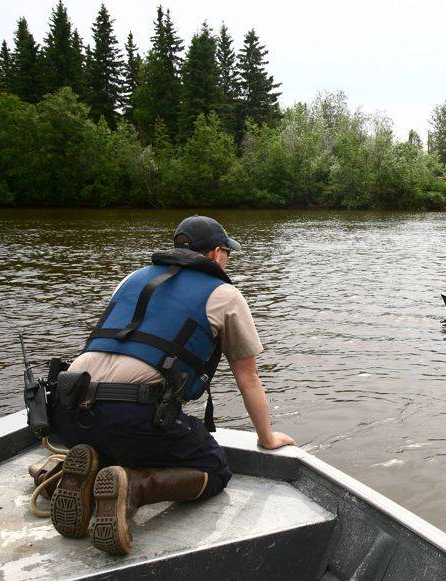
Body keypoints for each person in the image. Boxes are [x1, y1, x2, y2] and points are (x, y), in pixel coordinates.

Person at [48, 215, 295, 556]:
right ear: (216, 253)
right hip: (130, 416)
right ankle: (134, 487)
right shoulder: (224, 294)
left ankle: (77, 475)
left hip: (68, 410)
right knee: (214, 468)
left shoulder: (132, 278)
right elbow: (248, 378)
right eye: (227, 252)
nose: (228, 260)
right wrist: (267, 439)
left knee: (115, 438)